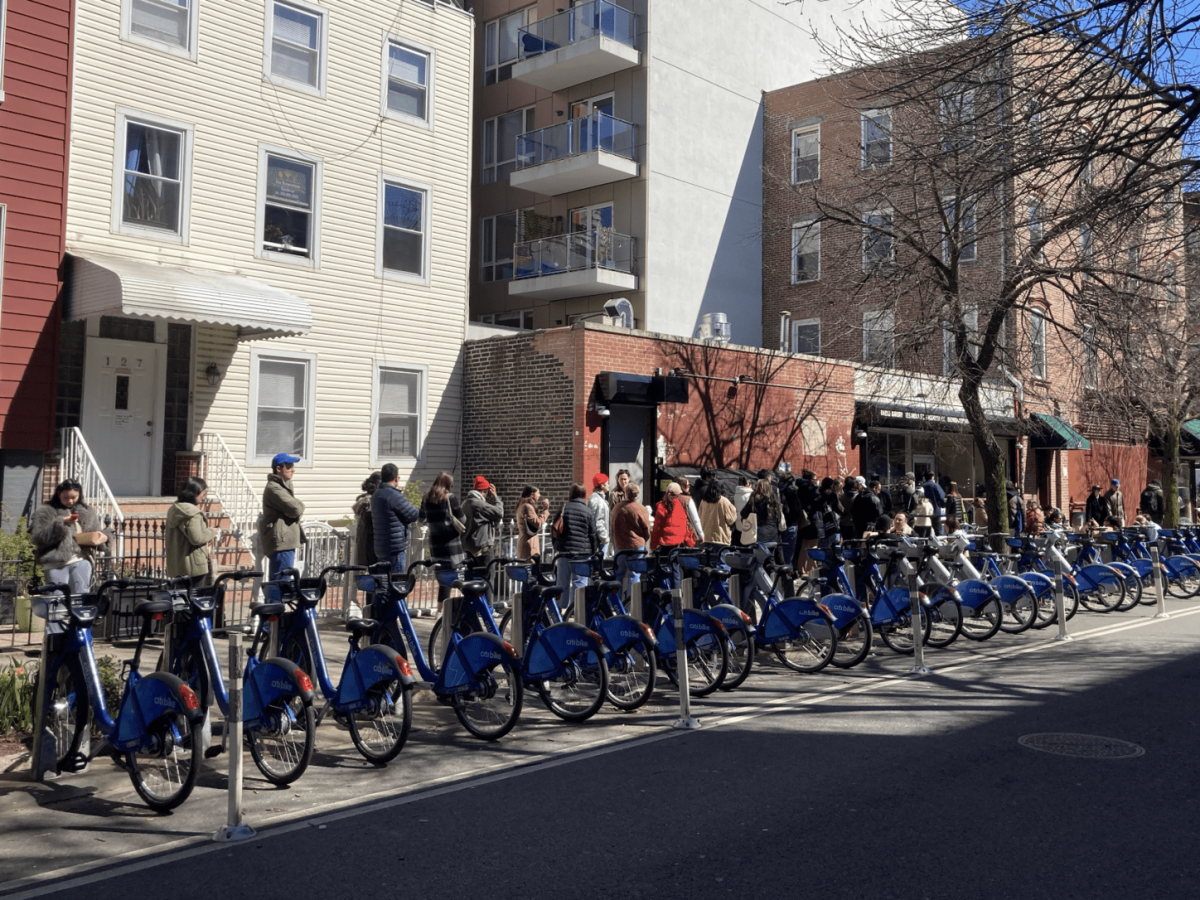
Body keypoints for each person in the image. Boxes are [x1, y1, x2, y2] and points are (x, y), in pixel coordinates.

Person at [32, 479, 108, 595]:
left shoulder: (86, 511)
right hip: (56, 564)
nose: (70, 501)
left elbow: (97, 531)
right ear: (59, 494)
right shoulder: (46, 510)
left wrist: (103, 537)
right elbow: (39, 538)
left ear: (80, 495)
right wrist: (61, 523)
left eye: (74, 497)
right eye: (66, 497)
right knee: (57, 601)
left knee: (80, 600)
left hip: (81, 560)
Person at [420, 471, 467, 607]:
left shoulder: (426, 498)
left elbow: (421, 518)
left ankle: (440, 610)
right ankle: (468, 606)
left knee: (443, 577)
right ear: (448, 484)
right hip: (451, 543)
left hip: (435, 543)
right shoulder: (450, 498)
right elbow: (463, 519)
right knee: (458, 576)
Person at [260, 452, 306, 580]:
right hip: (282, 541)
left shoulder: (283, 486)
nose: (293, 470)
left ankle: (276, 600)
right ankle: (276, 601)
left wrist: (296, 508)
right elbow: (296, 508)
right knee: (280, 581)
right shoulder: (274, 488)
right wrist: (299, 505)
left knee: (281, 580)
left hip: (286, 540)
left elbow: (294, 509)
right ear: (278, 469)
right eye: (289, 466)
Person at [165, 476, 217, 587]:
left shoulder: (174, 509)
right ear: (194, 493)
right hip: (194, 567)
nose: (204, 496)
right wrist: (212, 532)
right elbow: (197, 538)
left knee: (180, 600)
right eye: (203, 493)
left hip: (177, 566)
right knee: (195, 600)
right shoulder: (193, 514)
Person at [372, 463, 420, 575]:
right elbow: (413, 515)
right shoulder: (393, 495)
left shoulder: (376, 495)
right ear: (396, 478)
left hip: (380, 547)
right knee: (395, 585)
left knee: (383, 585)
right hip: (395, 548)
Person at [554, 483, 598, 591]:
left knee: (562, 582)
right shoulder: (588, 512)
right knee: (579, 582)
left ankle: (560, 606)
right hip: (582, 553)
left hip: (564, 551)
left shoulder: (563, 509)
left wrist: (556, 545)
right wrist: (593, 551)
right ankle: (576, 606)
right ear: (584, 495)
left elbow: (554, 528)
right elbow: (592, 534)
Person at [612, 484, 651, 590]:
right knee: (634, 573)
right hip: (636, 545)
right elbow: (646, 528)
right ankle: (632, 602)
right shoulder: (640, 509)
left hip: (620, 545)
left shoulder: (617, 508)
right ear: (637, 495)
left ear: (625, 494)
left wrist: (614, 541)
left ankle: (616, 602)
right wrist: (644, 539)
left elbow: (612, 527)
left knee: (618, 573)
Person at [463, 475, 504, 569]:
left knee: (472, 579)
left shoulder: (465, 503)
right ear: (484, 491)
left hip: (469, 549)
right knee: (488, 579)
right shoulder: (480, 504)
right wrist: (495, 496)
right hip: (482, 549)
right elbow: (499, 513)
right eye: (486, 493)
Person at [742, 478, 784, 560]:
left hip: (759, 535)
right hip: (773, 535)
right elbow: (778, 518)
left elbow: (743, 514)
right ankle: (771, 572)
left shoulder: (754, 500)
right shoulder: (775, 500)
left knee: (758, 561)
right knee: (770, 559)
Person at [352, 472, 382, 567]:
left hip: (365, 543)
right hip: (371, 544)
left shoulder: (364, 500)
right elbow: (370, 525)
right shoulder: (370, 502)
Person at [650, 482, 691, 550]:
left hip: (664, 542)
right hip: (678, 543)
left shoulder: (661, 506)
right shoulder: (681, 507)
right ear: (679, 494)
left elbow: (657, 527)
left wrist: (653, 545)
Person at [698, 479, 738, 546]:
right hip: (720, 538)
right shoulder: (724, 501)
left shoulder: (703, 501)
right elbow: (730, 520)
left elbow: (699, 516)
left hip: (706, 537)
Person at [515, 485, 550, 559]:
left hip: (528, 541)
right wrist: (545, 510)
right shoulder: (527, 507)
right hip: (529, 543)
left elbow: (533, 519)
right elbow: (538, 523)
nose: (539, 495)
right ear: (532, 494)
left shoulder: (524, 505)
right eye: (538, 493)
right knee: (529, 567)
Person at [588, 473, 612, 556]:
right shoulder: (596, 500)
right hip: (600, 540)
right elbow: (597, 520)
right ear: (602, 485)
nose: (609, 485)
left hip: (601, 538)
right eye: (607, 482)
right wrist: (604, 536)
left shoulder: (599, 499)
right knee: (601, 563)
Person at [676, 476, 705, 544]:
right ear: (683, 486)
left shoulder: (668, 499)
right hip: (686, 534)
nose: (689, 487)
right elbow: (695, 519)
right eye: (688, 485)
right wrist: (701, 534)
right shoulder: (688, 500)